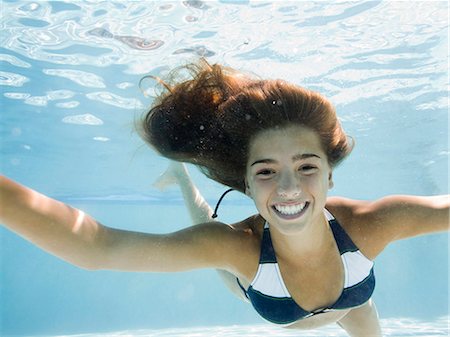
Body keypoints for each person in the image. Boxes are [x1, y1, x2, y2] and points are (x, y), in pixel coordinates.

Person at [1, 60, 448, 337]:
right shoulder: (239, 248)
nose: (289, 188)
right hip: (257, 286)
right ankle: (179, 177)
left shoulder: (373, 223)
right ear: (246, 185)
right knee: (206, 225)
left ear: (331, 176)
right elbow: (96, 247)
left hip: (354, 309)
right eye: (266, 172)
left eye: (307, 167)